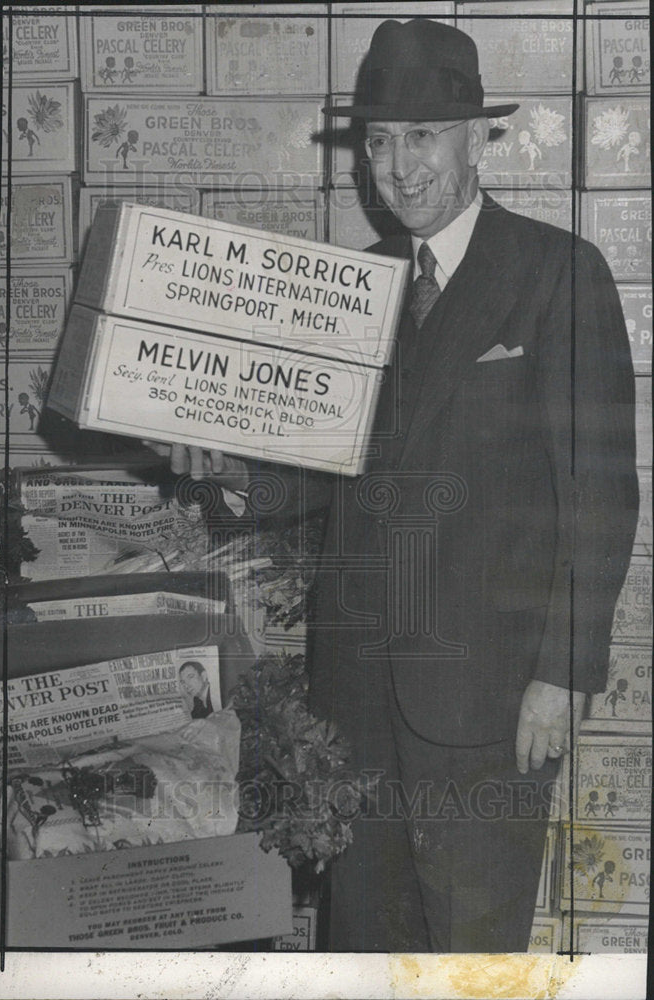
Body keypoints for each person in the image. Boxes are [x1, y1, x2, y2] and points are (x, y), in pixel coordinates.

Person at [146, 19, 637, 952]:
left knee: (468, 951)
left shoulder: (558, 274)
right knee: (363, 950)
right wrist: (235, 472)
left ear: (478, 137)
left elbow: (602, 496)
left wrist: (562, 676)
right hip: (356, 700)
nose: (398, 167)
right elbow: (321, 471)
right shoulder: (356, 289)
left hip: (491, 703)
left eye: (421, 136)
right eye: (378, 142)